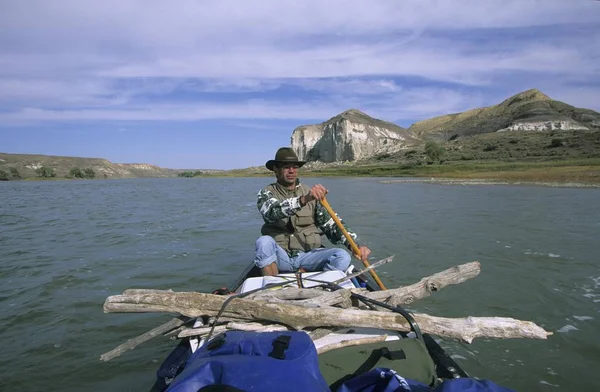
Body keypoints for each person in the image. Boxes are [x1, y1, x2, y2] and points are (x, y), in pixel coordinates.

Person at [254, 147, 371, 276]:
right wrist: (303, 200)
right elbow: (272, 212)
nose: (291, 171)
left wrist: (354, 245)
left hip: (308, 256)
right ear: (275, 169)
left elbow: (332, 225)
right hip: (282, 257)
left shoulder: (311, 195)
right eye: (286, 167)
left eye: (295, 167)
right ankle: (273, 285)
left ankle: (321, 285)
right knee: (263, 242)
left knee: (342, 256)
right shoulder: (266, 193)